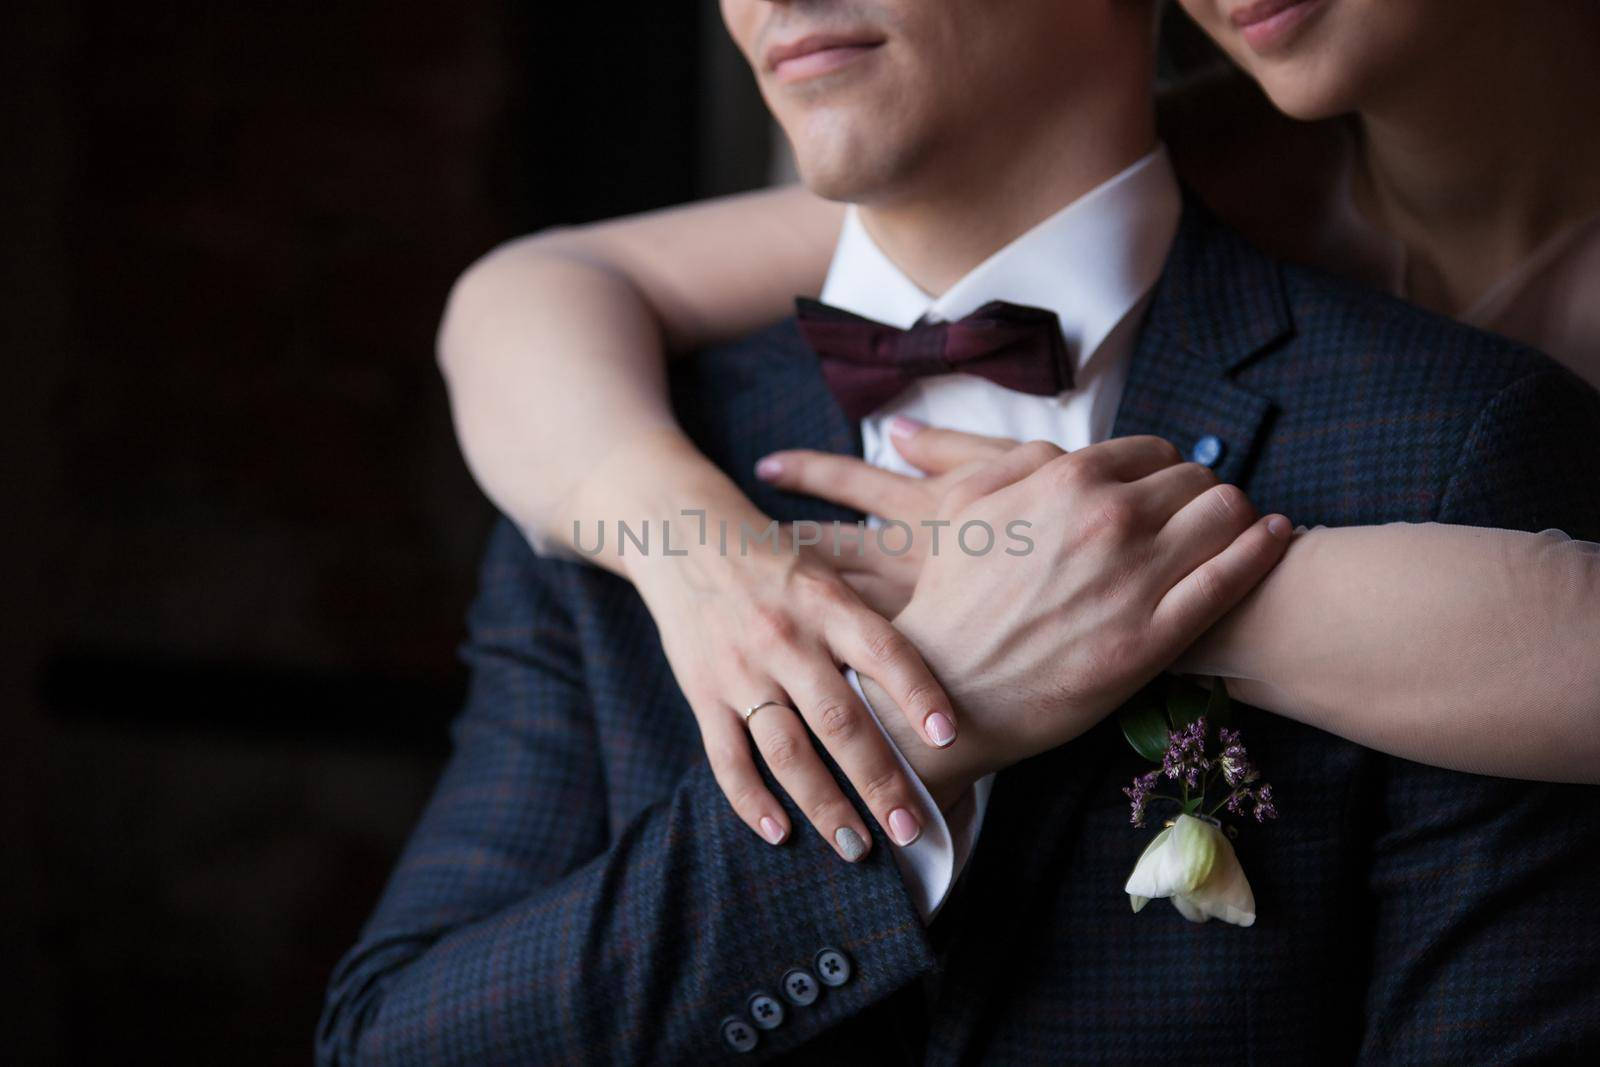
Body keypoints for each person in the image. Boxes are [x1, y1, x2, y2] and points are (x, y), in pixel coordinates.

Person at [322, 1, 1600, 1062]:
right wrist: (907, 725)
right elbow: (391, 1042)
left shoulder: (1444, 438)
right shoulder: (620, 444)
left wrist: (1135, 597)